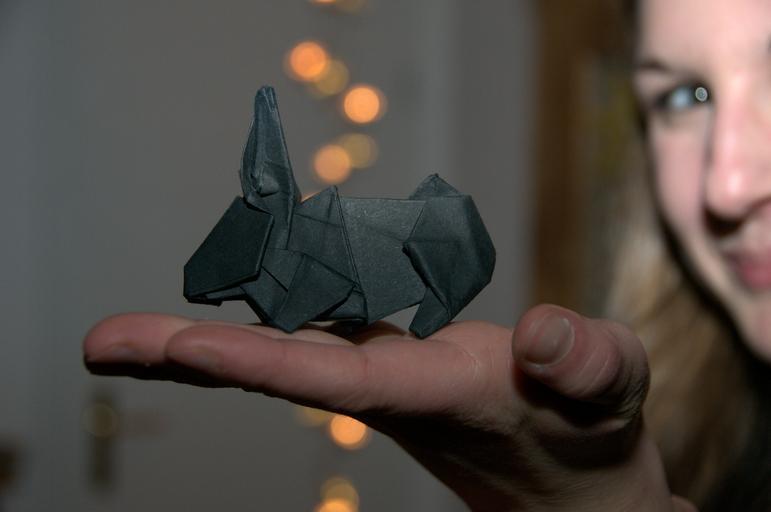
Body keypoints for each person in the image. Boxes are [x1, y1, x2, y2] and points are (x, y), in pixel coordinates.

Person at [82, 0, 770, 510]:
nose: (728, 184)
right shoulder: (713, 438)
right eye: (686, 94)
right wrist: (610, 498)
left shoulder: (374, 238)